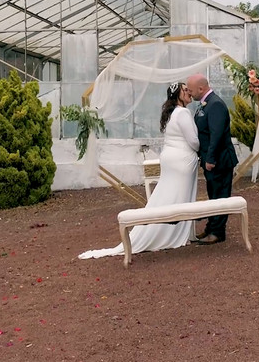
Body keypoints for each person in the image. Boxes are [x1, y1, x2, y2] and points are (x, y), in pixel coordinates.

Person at [78, 82, 199, 259]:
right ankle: (173, 233)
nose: (189, 92)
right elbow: (193, 141)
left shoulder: (171, 113)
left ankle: (167, 229)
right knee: (179, 198)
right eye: (185, 90)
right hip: (182, 161)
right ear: (178, 95)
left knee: (167, 196)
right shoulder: (183, 113)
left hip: (170, 159)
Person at [186, 73, 238, 245]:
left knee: (220, 196)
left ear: (201, 89)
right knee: (213, 195)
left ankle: (217, 232)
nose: (190, 93)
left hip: (220, 161)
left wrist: (210, 159)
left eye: (191, 90)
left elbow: (216, 135)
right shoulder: (206, 104)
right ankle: (211, 227)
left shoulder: (215, 104)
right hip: (212, 159)